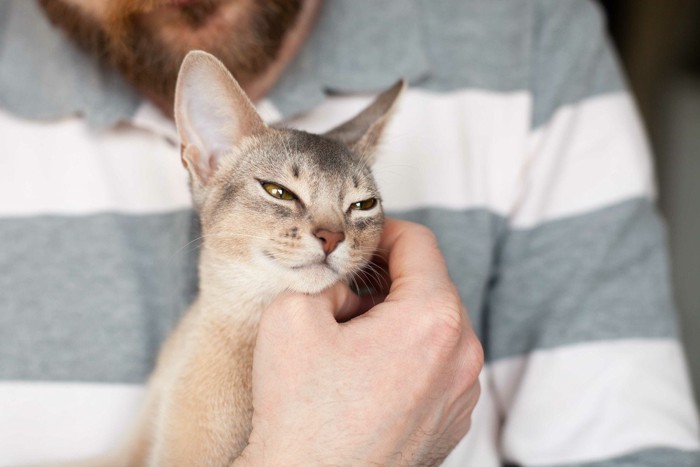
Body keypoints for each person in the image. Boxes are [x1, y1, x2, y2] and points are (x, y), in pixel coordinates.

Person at [0, 0, 698, 465]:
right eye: (283, 193)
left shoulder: (535, 31)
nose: (330, 232)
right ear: (204, 154)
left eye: (358, 207)